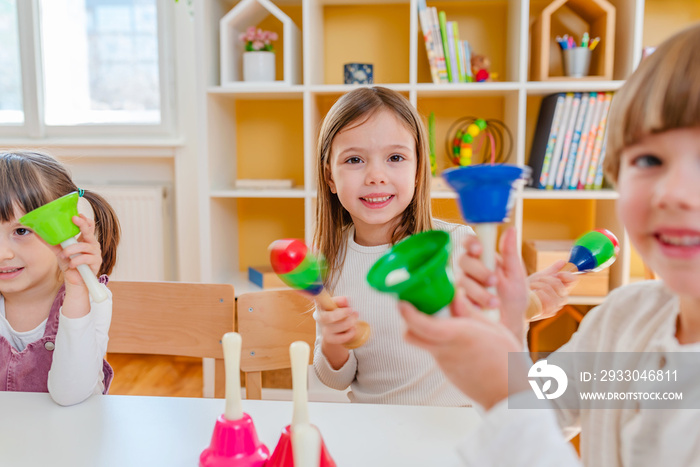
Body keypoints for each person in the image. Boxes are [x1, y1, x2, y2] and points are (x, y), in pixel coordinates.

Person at [399, 23, 700, 465]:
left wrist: (505, 392)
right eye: (648, 159)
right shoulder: (622, 318)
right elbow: (539, 408)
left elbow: (516, 412)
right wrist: (509, 328)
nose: (673, 193)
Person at [312, 86, 575, 405]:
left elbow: (495, 330)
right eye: (354, 159)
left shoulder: (460, 245)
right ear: (329, 177)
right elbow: (335, 379)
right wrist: (333, 341)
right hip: (379, 430)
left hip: (458, 425)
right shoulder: (330, 262)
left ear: (419, 169)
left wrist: (523, 305)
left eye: (395, 157)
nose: (376, 176)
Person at [0, 151, 120, 406]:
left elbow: (70, 395)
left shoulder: (92, 298)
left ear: (62, 229)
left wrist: (77, 291)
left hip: (70, 438)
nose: (3, 253)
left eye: (21, 230)